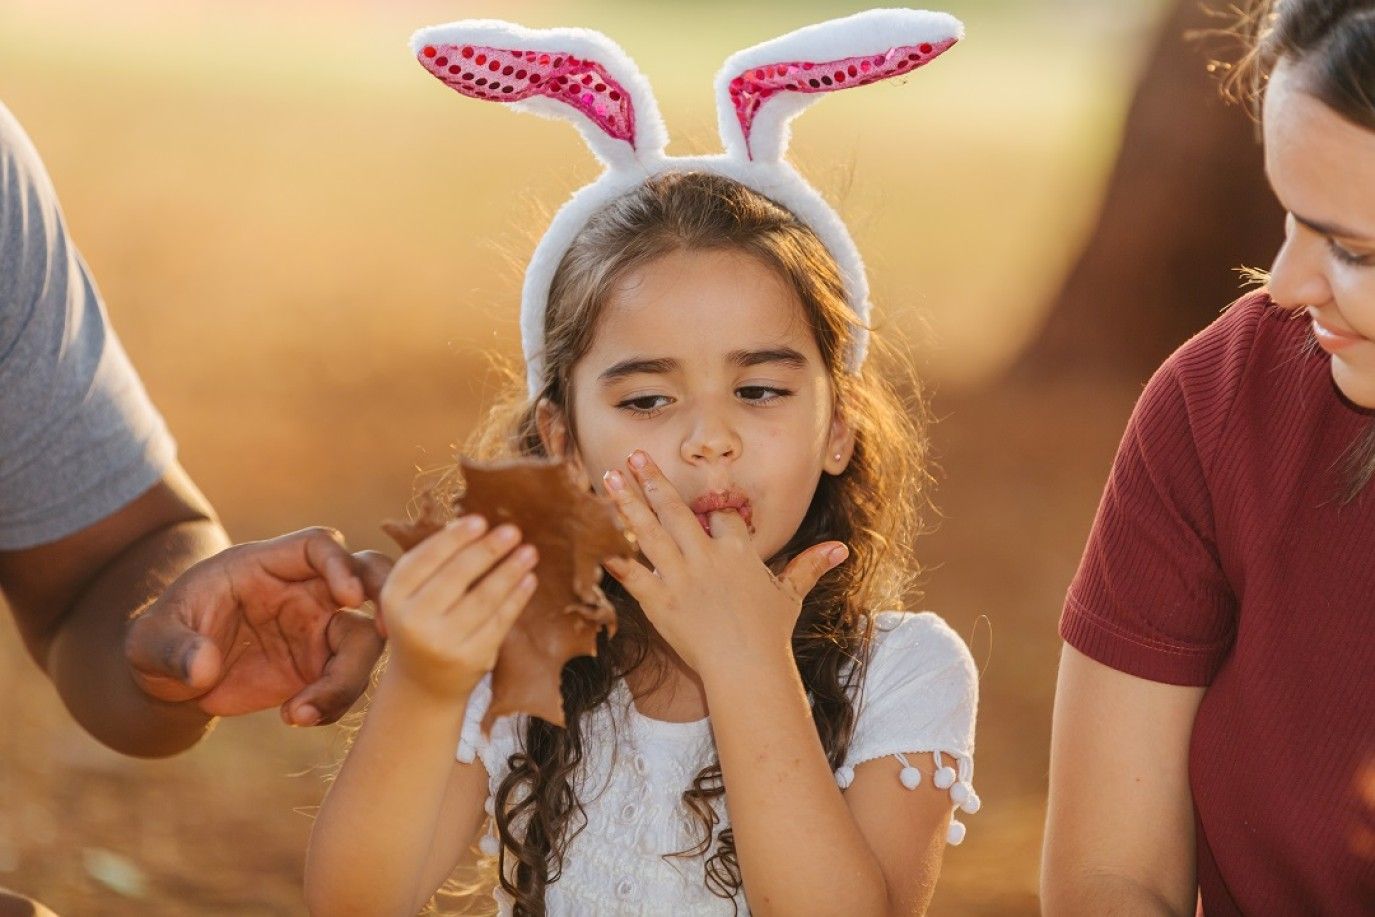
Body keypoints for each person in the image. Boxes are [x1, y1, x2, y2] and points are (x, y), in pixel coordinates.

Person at [306, 10, 979, 915]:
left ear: (838, 427)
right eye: (647, 400)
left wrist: (745, 663)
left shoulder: (901, 670)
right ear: (563, 441)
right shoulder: (518, 644)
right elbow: (356, 900)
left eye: (759, 389)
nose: (708, 439)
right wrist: (424, 683)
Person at [1042, 1, 1375, 912]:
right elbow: (1108, 876)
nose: (1286, 285)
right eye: (1290, 216)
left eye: (1352, 250)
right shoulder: (1223, 399)